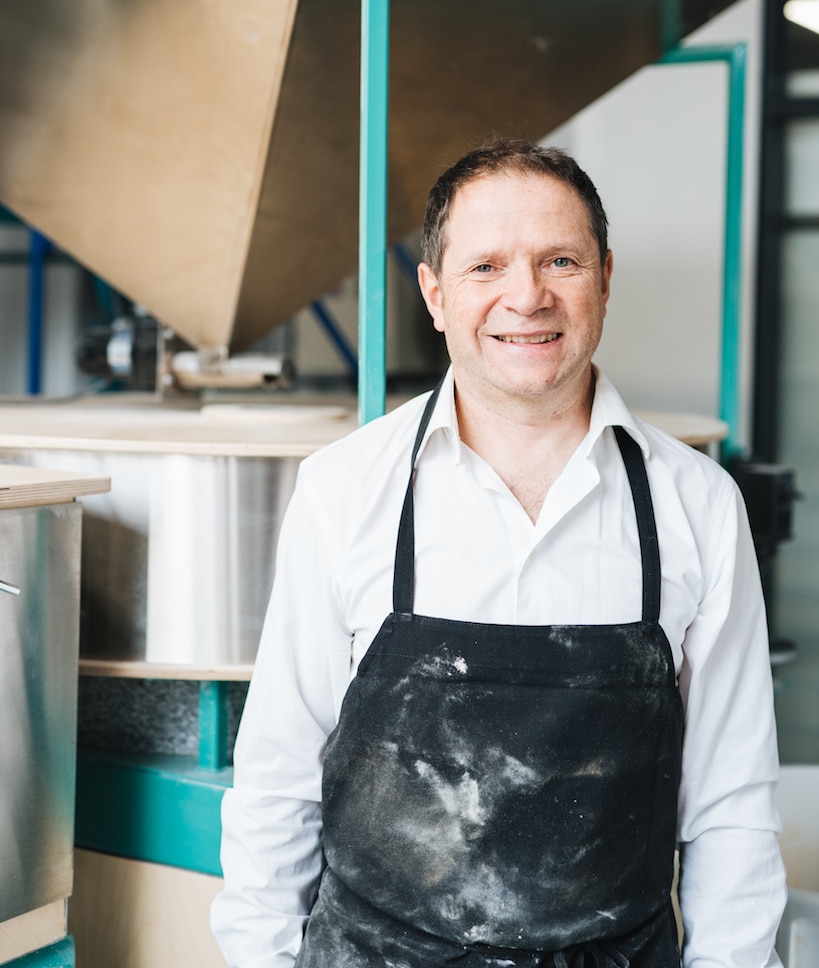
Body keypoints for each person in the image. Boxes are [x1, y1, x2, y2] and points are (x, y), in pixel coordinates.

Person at [212, 139, 787, 967]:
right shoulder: (344, 490)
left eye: (559, 260)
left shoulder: (695, 504)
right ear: (434, 294)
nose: (527, 296)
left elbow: (729, 802)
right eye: (486, 267)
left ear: (604, 279)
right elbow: (278, 780)